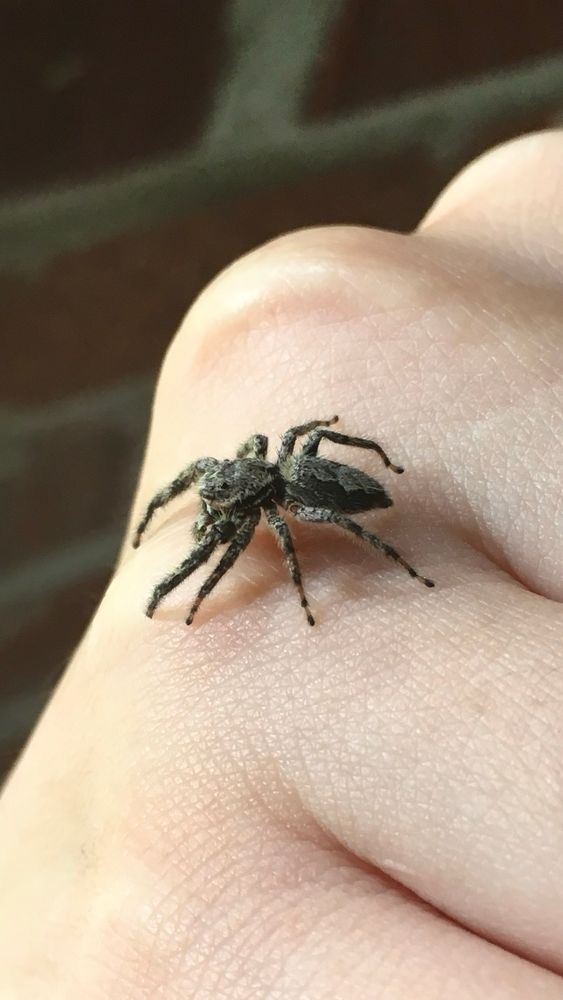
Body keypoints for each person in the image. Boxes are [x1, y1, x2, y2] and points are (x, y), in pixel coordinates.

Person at [1, 131, 562, 998]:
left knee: (310, 542)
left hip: (328, 488)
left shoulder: (278, 504)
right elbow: (221, 480)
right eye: (218, 489)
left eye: (227, 491)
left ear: (248, 481)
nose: (218, 499)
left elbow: (284, 534)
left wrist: (269, 594)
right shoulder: (240, 473)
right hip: (312, 469)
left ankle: (378, 571)